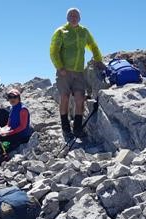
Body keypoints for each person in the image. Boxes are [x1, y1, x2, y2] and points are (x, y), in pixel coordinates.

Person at [50, 7, 104, 139]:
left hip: (79, 72)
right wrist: (60, 67)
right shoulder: (61, 31)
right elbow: (53, 51)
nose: (73, 17)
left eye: (76, 15)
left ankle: (78, 128)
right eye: (71, 15)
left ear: (79, 18)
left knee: (80, 99)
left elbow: (93, 45)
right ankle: (65, 127)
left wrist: (98, 59)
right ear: (67, 17)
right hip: (64, 72)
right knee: (65, 98)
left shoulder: (84, 31)